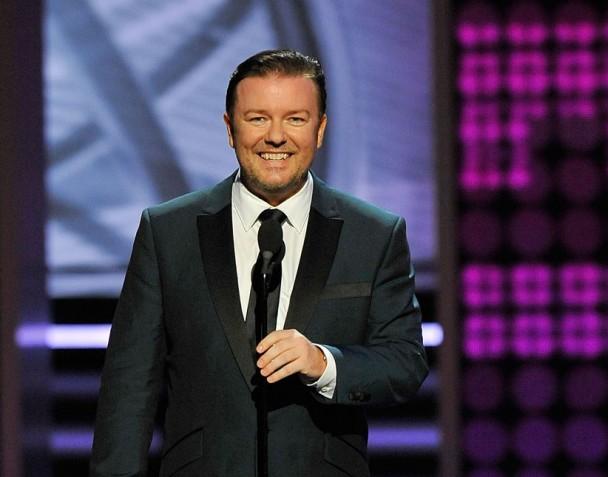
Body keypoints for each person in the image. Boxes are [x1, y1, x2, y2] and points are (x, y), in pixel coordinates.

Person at [90, 49, 428, 477]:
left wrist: (322, 363)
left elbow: (403, 362)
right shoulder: (168, 231)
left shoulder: (374, 234)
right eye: (257, 118)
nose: (276, 137)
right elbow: (129, 385)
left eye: (295, 119)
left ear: (321, 129)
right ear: (230, 129)